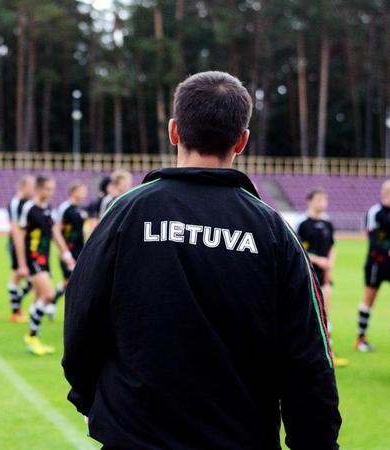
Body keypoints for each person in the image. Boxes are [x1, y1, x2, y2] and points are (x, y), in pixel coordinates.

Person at [63, 71, 341, 449]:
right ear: (241, 141)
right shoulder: (273, 231)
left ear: (174, 131)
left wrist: (85, 394)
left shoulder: (126, 213)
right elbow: (309, 358)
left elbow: (81, 311)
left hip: (133, 436)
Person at [13, 175, 75, 356]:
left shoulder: (48, 208)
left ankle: (34, 337)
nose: (50, 192)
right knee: (48, 294)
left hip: (44, 258)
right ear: (38, 189)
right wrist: (22, 264)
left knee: (39, 298)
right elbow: (19, 235)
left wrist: (66, 254)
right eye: (47, 189)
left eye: (52, 189)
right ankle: (32, 337)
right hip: (33, 258)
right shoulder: (28, 208)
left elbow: (55, 232)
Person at [295, 188, 347, 367]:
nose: (322, 204)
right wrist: (318, 260)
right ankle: (304, 350)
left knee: (326, 312)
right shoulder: (302, 224)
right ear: (309, 201)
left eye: (324, 200)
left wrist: (330, 265)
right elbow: (297, 249)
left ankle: (328, 351)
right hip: (308, 274)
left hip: (324, 275)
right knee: (306, 312)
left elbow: (332, 246)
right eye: (318, 200)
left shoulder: (328, 223)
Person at [355, 180, 390, 352]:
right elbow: (373, 241)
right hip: (377, 264)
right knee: (368, 301)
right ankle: (361, 339)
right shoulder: (375, 212)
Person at [48, 181, 88, 320]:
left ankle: (52, 302)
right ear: (74, 192)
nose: (84, 194)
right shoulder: (65, 208)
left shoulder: (81, 209)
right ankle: (73, 313)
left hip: (80, 250)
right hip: (68, 252)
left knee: (70, 282)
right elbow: (56, 230)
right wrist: (63, 251)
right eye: (82, 191)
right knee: (73, 282)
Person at [7, 175, 36, 323]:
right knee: (18, 275)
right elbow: (15, 230)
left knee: (30, 278)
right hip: (17, 244)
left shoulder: (28, 203)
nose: (34, 191)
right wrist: (21, 258)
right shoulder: (15, 203)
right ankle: (15, 310)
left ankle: (16, 304)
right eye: (32, 187)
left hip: (28, 244)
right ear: (24, 187)